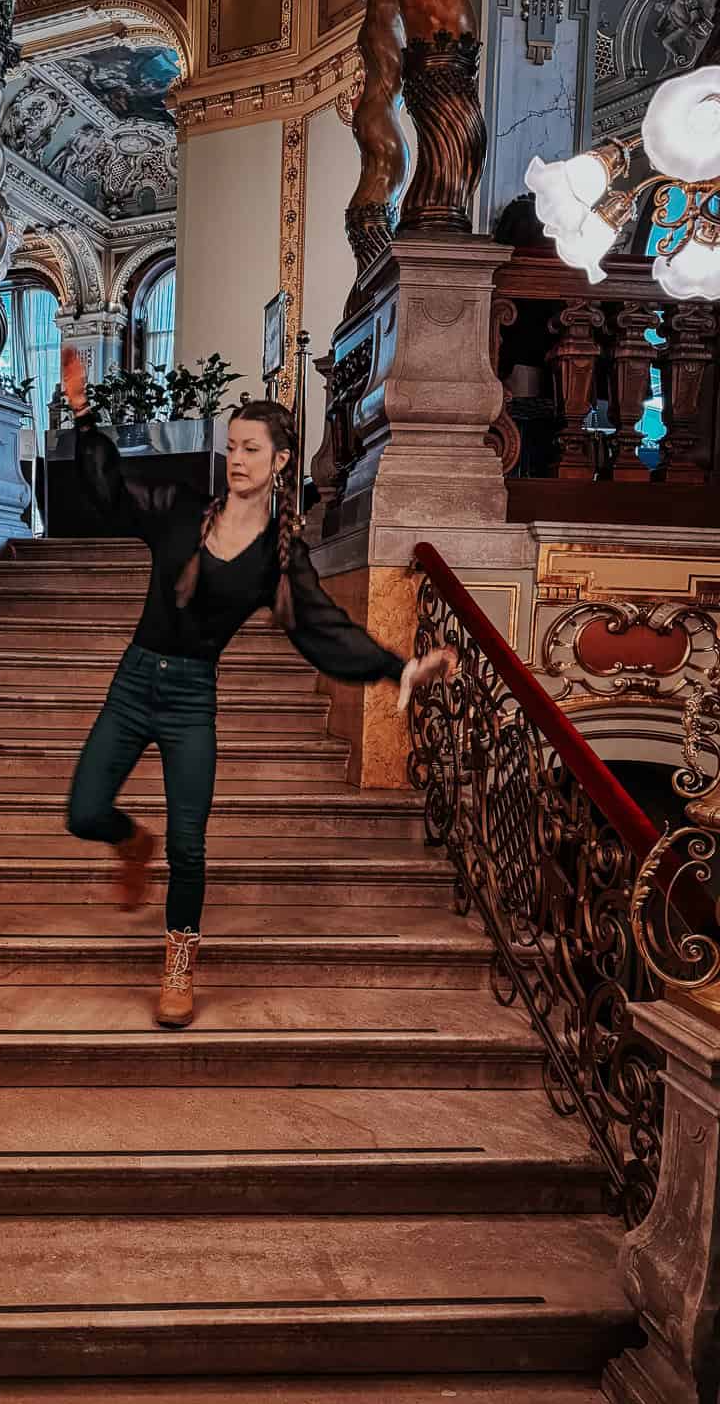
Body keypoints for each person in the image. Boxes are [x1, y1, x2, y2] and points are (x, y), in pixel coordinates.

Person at [60, 346, 455, 1030]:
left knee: (189, 844)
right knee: (84, 811)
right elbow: (110, 491)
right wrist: (84, 414)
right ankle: (130, 843)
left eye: (251, 449)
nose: (237, 459)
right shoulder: (180, 509)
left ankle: (179, 964)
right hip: (134, 682)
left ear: (279, 461)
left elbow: (324, 629)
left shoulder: (279, 556)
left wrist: (400, 668)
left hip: (191, 699)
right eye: (232, 447)